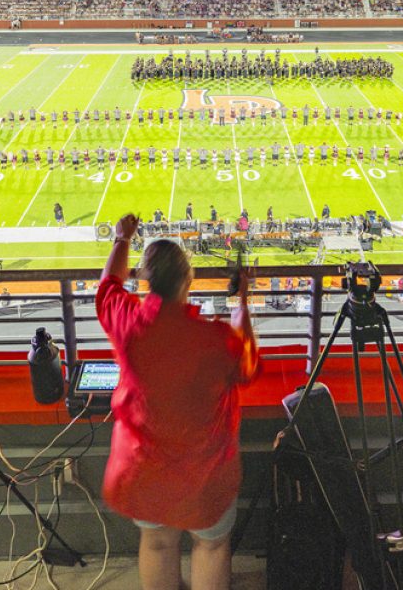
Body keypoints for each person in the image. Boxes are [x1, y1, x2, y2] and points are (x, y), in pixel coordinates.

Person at [96, 214, 260, 590]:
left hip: (143, 466)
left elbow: (108, 285)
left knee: (155, 543)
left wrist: (122, 238)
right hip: (204, 469)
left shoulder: (127, 322)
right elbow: (247, 369)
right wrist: (242, 309)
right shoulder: (217, 338)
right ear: (188, 281)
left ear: (146, 281)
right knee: (212, 546)